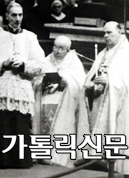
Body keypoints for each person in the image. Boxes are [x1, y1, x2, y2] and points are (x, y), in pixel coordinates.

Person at [0, 2, 44, 168]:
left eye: (20, 15)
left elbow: (40, 64)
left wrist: (22, 66)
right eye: (14, 15)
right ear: (7, 16)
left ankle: (18, 161)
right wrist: (4, 64)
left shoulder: (30, 37)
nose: (17, 19)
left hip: (19, 87)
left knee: (19, 126)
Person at [76, 21, 129, 177]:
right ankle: (96, 156)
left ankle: (109, 159)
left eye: (109, 32)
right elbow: (93, 73)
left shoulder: (125, 52)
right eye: (104, 33)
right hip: (100, 97)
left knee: (112, 126)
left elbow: (127, 82)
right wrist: (90, 83)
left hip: (117, 101)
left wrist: (110, 81)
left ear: (120, 32)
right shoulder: (103, 53)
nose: (105, 36)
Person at [33, 36, 85, 167]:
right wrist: (42, 83)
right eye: (55, 47)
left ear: (68, 49)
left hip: (64, 101)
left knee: (61, 129)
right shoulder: (46, 60)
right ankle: (43, 155)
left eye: (61, 48)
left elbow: (80, 83)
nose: (57, 51)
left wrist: (65, 82)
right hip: (46, 99)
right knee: (44, 126)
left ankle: (59, 157)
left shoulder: (74, 62)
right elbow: (36, 79)